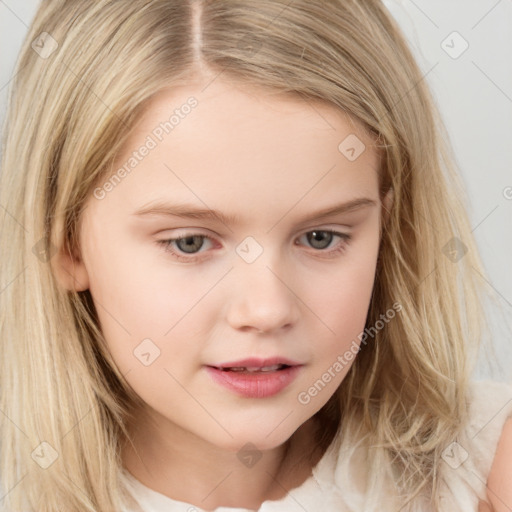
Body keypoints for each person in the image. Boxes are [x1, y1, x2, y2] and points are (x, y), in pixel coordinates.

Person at [0, 1, 511, 511]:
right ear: (65, 243)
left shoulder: (487, 469)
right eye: (190, 243)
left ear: (388, 227)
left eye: (321, 237)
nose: (267, 310)